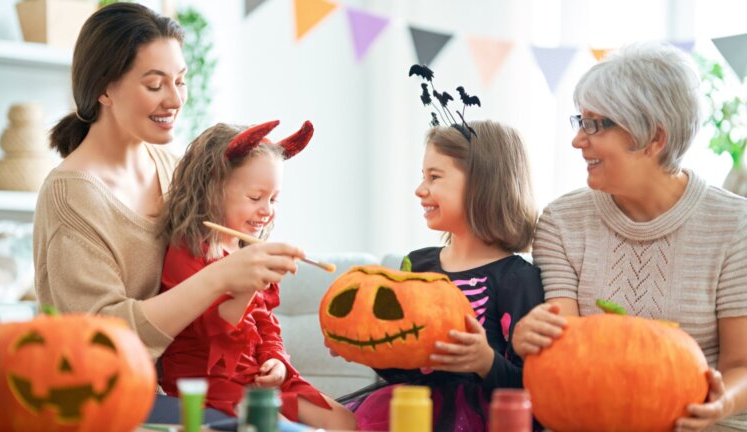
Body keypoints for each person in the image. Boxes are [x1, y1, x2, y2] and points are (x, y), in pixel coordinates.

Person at [33, 3, 302, 364]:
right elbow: (100, 339)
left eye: (180, 81)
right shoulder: (71, 199)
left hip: (196, 380)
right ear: (104, 90)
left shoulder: (178, 171)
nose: (175, 100)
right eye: (155, 84)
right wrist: (219, 278)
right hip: (113, 388)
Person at [511, 42, 747, 431]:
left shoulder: (736, 225)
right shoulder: (561, 222)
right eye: (580, 121)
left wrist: (720, 403)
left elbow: (741, 365)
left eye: (595, 124)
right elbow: (566, 351)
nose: (578, 140)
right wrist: (530, 336)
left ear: (654, 138)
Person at [345, 119, 544, 431]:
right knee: (302, 403)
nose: (419, 190)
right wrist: (368, 350)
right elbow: (407, 371)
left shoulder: (518, 279)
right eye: (422, 176)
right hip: (410, 411)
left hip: (478, 420)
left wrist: (486, 362)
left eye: (434, 177)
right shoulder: (416, 264)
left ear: (481, 183)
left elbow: (534, 391)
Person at [157, 121, 356, 430]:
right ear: (213, 188)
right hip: (211, 381)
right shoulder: (188, 252)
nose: (267, 210)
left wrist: (275, 359)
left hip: (253, 375)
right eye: (255, 198)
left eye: (273, 199)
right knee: (281, 427)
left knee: (344, 420)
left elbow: (266, 323)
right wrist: (253, 282)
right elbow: (215, 331)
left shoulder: (248, 249)